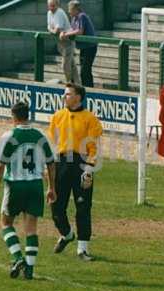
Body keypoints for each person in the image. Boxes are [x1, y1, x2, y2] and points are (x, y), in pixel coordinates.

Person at [0, 102, 56, 279]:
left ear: (14, 116)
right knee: (31, 229)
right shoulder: (40, 135)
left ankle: (18, 257)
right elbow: (51, 164)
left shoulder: (10, 135)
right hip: (35, 185)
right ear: (28, 114)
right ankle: (30, 270)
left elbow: (0, 166)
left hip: (15, 185)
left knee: (6, 223)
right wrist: (51, 187)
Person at [48, 83, 103, 261]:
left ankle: (83, 249)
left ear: (78, 97)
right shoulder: (57, 116)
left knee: (83, 207)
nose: (64, 97)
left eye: (68, 94)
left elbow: (95, 147)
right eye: (64, 94)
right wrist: (49, 166)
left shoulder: (90, 119)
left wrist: (88, 169)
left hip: (81, 164)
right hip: (62, 163)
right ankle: (67, 234)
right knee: (56, 206)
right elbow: (53, 143)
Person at [60, 0, 98, 88]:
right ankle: (86, 89)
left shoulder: (82, 16)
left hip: (90, 47)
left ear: (75, 9)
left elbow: (80, 31)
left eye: (70, 9)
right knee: (84, 70)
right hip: (83, 47)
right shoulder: (74, 18)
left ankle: (89, 90)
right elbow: (71, 29)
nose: (68, 11)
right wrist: (63, 32)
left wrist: (66, 34)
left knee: (85, 70)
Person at [47, 0, 80, 84]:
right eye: (50, 6)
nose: (51, 8)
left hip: (68, 41)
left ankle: (69, 84)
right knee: (72, 65)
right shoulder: (49, 13)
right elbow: (49, 27)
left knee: (65, 65)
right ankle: (77, 83)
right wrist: (52, 30)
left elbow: (56, 30)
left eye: (53, 6)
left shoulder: (59, 12)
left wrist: (52, 30)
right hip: (61, 42)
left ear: (57, 5)